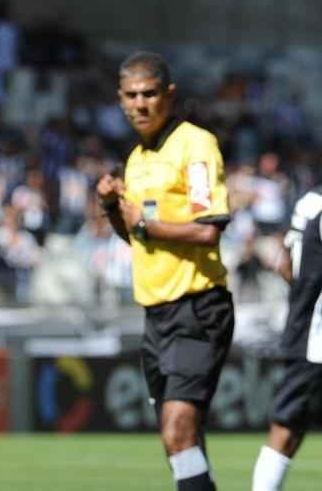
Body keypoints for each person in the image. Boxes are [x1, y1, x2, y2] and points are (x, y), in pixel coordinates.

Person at [96, 52, 233, 491]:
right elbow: (137, 238)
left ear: (168, 95)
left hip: (197, 306)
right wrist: (111, 209)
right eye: (132, 95)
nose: (140, 103)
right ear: (120, 99)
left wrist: (142, 222)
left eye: (149, 94)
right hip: (156, 314)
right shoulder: (136, 159)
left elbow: (208, 230)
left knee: (177, 431)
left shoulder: (194, 145)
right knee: (181, 441)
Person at [251, 185, 322, 490]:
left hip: (304, 328)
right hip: (315, 335)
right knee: (286, 430)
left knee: (286, 430)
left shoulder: (310, 200)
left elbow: (284, 265)